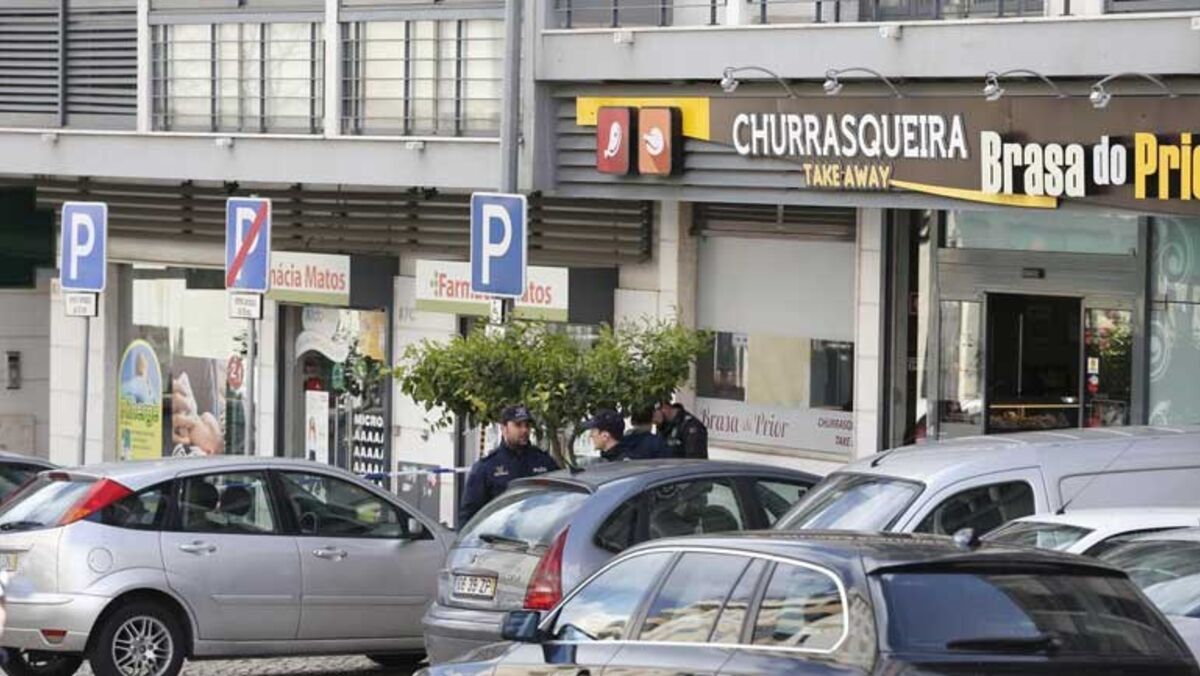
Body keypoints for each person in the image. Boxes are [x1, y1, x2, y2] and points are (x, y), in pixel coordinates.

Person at [460, 405, 558, 525]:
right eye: (518, 425)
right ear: (504, 428)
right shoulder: (487, 467)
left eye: (527, 425)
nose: (524, 430)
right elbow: (469, 516)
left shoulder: (544, 461)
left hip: (537, 531)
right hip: (501, 533)